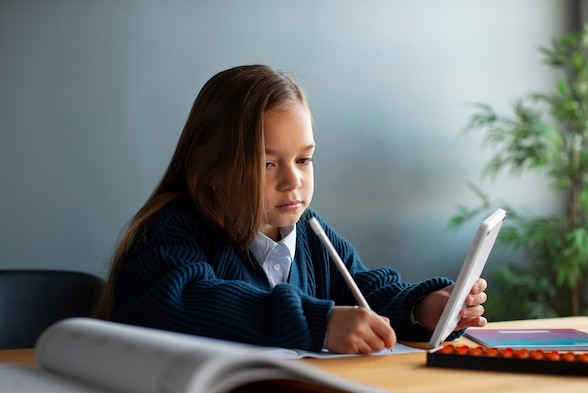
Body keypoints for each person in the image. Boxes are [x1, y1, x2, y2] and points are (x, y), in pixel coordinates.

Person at [93, 64, 488, 354]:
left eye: (304, 160)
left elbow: (363, 292)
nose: (292, 180)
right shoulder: (169, 232)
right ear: (208, 168)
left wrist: (421, 309)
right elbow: (185, 302)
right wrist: (318, 323)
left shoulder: (310, 231)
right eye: (267, 163)